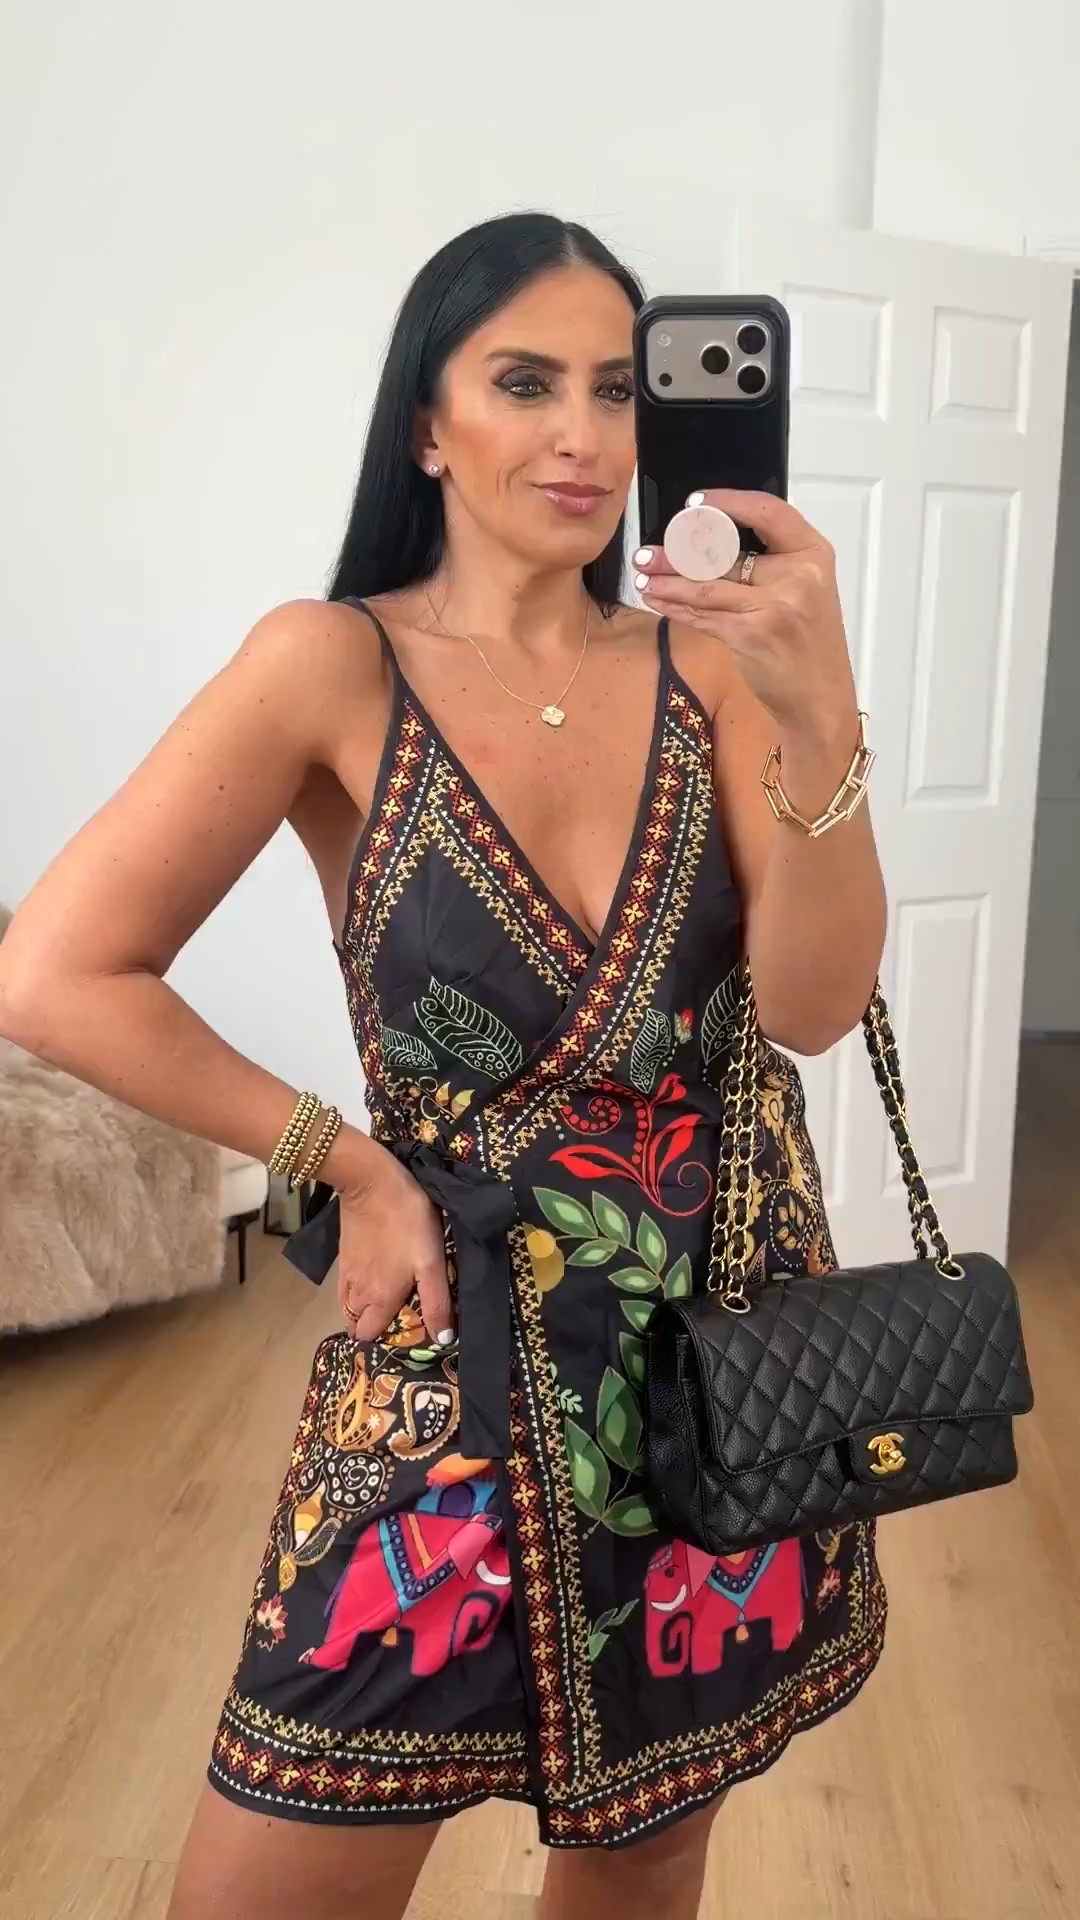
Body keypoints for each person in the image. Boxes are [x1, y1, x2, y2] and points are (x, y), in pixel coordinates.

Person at [0, 212, 888, 1920]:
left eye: (620, 391)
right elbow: (53, 974)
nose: (584, 436)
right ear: (427, 422)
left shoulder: (715, 669)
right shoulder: (330, 664)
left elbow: (813, 1004)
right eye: (525, 383)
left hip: (721, 1355)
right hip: (449, 1361)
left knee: (646, 1863)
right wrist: (340, 1162)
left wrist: (821, 710)